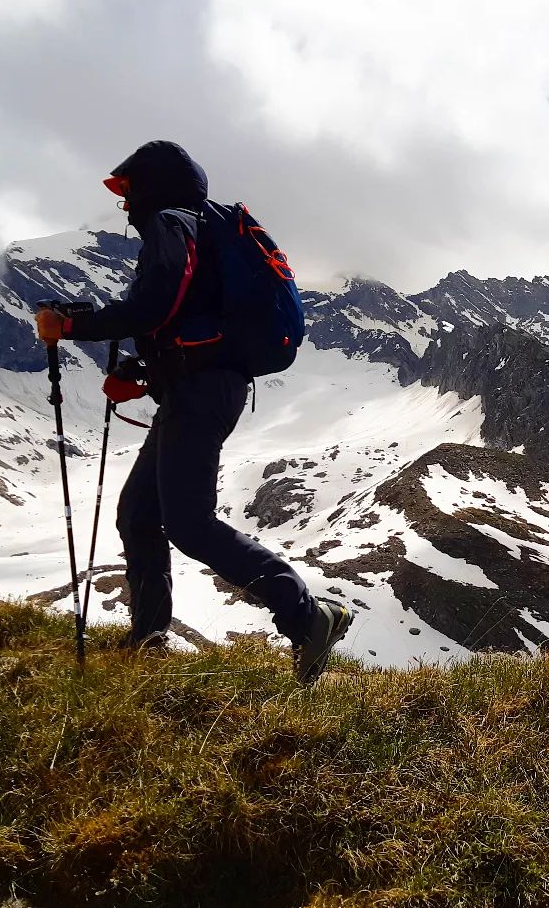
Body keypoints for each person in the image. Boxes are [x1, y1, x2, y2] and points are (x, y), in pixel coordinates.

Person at [35, 140, 352, 682]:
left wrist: (74, 326)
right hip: (200, 389)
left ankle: (305, 612)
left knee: (186, 522)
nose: (126, 208)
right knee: (139, 512)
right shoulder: (203, 225)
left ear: (151, 187)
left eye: (128, 194)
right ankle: (150, 640)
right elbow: (186, 320)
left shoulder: (171, 222)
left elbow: (155, 306)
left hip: (201, 393)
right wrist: (142, 374)